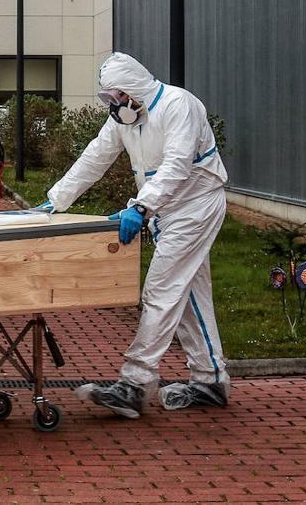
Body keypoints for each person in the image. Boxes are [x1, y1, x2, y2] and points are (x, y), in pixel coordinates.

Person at [39, 52, 229, 418]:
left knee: (161, 289)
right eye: (109, 98)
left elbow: (176, 165)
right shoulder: (127, 118)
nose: (115, 105)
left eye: (118, 97)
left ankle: (135, 383)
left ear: (134, 88)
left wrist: (141, 207)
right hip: (166, 210)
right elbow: (95, 156)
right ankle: (211, 380)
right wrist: (55, 201)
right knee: (186, 293)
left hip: (195, 205)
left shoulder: (178, 105)